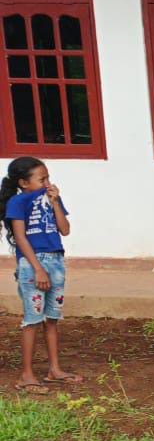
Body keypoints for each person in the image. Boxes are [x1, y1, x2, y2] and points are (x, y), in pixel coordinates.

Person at [2, 157, 81, 394]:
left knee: (52, 318)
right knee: (32, 319)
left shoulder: (50, 197)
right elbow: (21, 238)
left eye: (48, 177)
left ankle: (54, 369)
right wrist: (37, 268)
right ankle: (26, 375)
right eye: (42, 178)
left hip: (56, 260)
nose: (47, 182)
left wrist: (55, 202)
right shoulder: (17, 202)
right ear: (24, 182)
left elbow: (65, 230)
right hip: (33, 264)